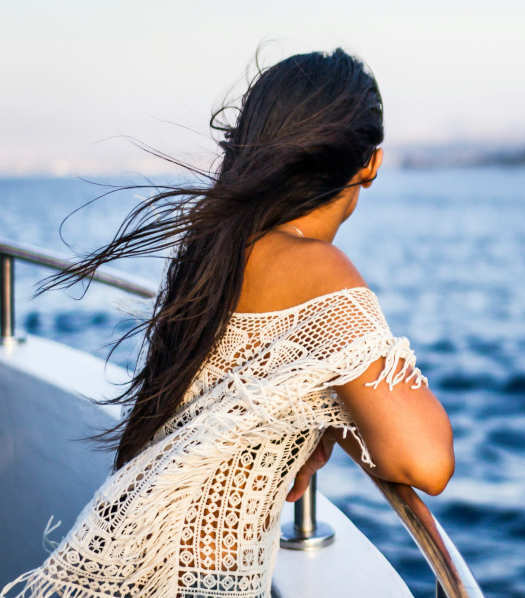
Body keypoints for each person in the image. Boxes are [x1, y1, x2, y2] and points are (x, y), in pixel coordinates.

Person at [1, 46, 454, 598]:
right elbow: (425, 462)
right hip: (194, 581)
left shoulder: (217, 244)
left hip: (132, 552)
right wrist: (340, 410)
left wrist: (328, 410)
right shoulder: (315, 267)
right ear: (371, 164)